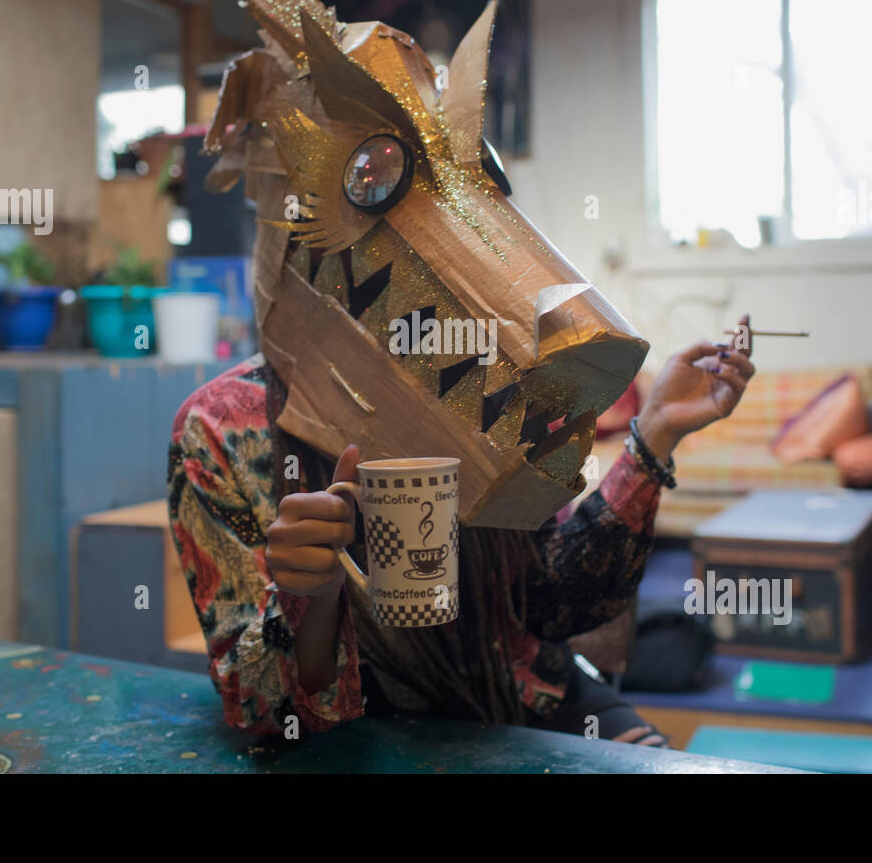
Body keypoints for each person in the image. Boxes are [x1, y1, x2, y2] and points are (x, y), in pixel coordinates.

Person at [166, 315, 754, 746]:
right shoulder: (221, 424)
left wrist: (654, 435)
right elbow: (260, 701)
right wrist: (311, 600)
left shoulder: (485, 388)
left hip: (525, 691)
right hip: (357, 734)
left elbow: (552, 601)